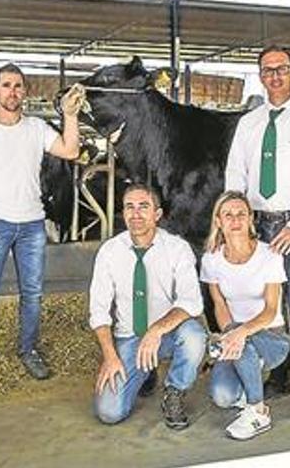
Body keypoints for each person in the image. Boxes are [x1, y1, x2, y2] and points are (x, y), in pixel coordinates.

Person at [0, 63, 85, 392]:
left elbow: (70, 150)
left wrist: (70, 115)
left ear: (24, 92)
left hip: (31, 223)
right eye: (6, 85)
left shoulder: (37, 128)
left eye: (18, 86)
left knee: (33, 294)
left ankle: (28, 350)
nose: (13, 92)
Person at [224, 45, 290, 429]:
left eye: (281, 69)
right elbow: (235, 176)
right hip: (258, 228)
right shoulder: (248, 124)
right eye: (267, 70)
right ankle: (273, 379)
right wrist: (239, 223)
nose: (274, 76)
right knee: (263, 311)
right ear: (260, 75)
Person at [89, 184, 207, 430]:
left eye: (144, 207)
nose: (136, 214)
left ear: (158, 214)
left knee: (195, 336)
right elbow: (98, 311)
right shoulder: (109, 251)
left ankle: (174, 390)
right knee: (109, 413)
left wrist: (156, 330)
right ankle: (146, 371)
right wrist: (110, 356)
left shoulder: (177, 248)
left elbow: (191, 302)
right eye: (129, 207)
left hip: (167, 335)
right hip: (129, 338)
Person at [201, 190, 290, 440]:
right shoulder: (211, 259)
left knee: (244, 345)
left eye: (241, 213)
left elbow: (271, 310)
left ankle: (258, 411)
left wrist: (238, 334)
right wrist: (231, 333)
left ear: (251, 218)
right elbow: (219, 304)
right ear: (218, 221)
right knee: (222, 397)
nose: (235, 219)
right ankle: (248, 374)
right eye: (228, 214)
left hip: (271, 337)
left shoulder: (269, 255)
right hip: (235, 334)